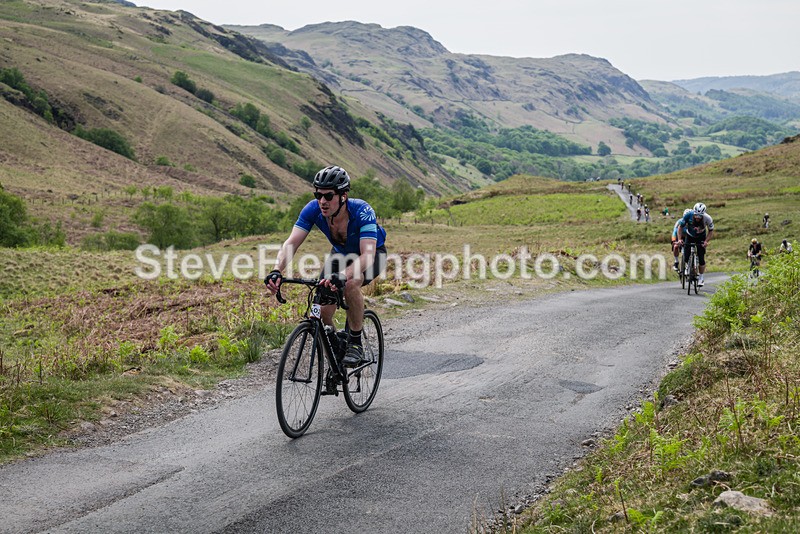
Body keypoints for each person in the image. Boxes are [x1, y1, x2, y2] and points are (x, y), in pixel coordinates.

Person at [264, 165, 388, 367]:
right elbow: (291, 243)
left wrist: (344, 275)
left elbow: (367, 254)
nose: (322, 201)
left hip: (372, 255)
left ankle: (355, 341)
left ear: (343, 196)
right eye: (318, 195)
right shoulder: (313, 209)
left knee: (350, 283)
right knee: (321, 309)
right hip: (340, 255)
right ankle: (334, 348)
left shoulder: (362, 211)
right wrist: (277, 269)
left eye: (328, 196)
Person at [677, 202, 715, 287]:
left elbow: (711, 231)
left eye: (700, 216)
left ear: (703, 214)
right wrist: (679, 240)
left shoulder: (708, 218)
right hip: (689, 236)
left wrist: (706, 241)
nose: (697, 217)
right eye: (696, 215)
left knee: (701, 258)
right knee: (686, 256)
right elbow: (680, 227)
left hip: (701, 237)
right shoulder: (688, 215)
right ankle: (687, 266)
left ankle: (701, 278)